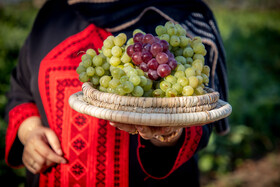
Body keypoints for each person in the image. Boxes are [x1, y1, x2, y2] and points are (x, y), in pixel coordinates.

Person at [5, 0, 229, 186]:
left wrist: (167, 133)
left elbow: (200, 109)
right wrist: (30, 132)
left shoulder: (179, 15)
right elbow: (21, 91)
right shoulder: (52, 14)